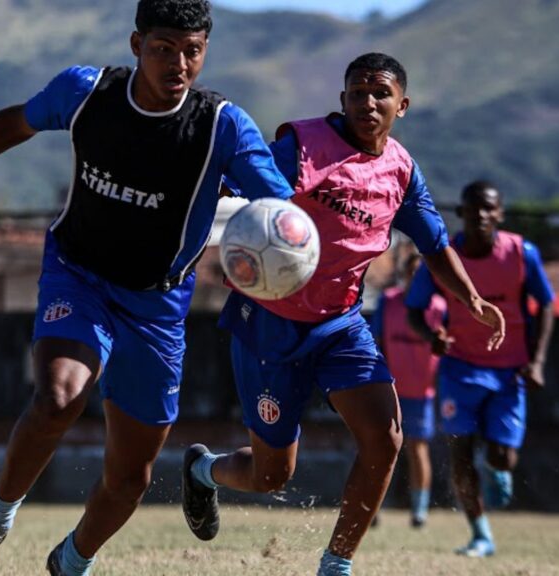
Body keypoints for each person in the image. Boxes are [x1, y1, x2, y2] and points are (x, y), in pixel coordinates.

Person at [0, 1, 296, 574]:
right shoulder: (85, 93)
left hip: (158, 306)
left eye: (193, 51)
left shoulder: (223, 127)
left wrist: (276, 239)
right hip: (79, 273)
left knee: (129, 478)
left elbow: (279, 207)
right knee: (58, 397)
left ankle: (70, 561)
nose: (179, 65)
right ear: (136, 43)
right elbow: (12, 124)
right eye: (165, 49)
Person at [180, 53, 505, 576]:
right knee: (270, 476)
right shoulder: (302, 147)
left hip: (339, 326)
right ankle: (203, 470)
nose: (367, 102)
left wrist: (471, 300)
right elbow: (230, 185)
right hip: (269, 325)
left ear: (403, 104)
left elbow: (436, 244)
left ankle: (336, 565)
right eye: (356, 92)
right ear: (342, 100)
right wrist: (223, 251)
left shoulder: (400, 171)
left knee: (386, 438)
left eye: (379, 93)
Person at [405, 180, 555, 558]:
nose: (481, 215)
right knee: (460, 453)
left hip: (510, 372)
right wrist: (431, 335)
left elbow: (548, 305)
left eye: (489, 208)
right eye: (474, 208)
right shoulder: (444, 256)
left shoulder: (523, 254)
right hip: (460, 369)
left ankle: (495, 468)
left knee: (502, 457)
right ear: (461, 213)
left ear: (500, 214)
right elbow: (413, 309)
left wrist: (537, 361)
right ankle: (480, 535)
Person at [370, 252, 446, 528]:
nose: (415, 279)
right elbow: (377, 341)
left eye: (421, 274)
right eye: (411, 273)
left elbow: (445, 349)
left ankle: (419, 511)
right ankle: (371, 506)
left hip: (422, 392)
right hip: (390, 390)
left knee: (417, 449)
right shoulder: (388, 301)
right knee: (381, 448)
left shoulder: (438, 306)